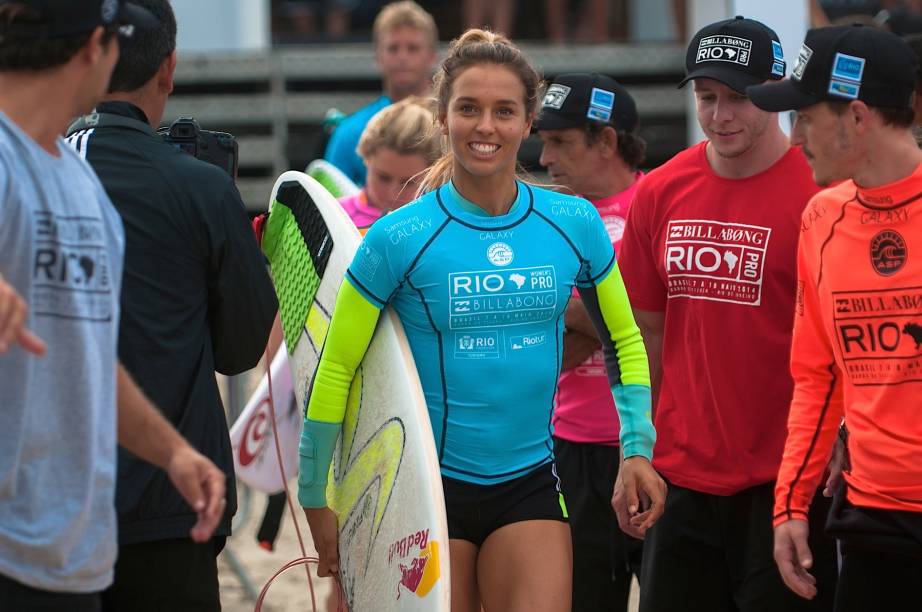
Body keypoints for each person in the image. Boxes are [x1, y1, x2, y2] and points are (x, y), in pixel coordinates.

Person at [299, 28, 665, 612]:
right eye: (468, 108)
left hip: (531, 485)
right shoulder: (399, 237)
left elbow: (624, 340)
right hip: (423, 491)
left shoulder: (572, 221)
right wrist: (315, 493)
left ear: (527, 124)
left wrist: (637, 448)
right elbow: (335, 366)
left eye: (504, 111)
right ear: (443, 118)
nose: (485, 126)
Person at [0, 1, 226, 610]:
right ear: (95, 46)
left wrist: (173, 450)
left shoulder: (79, 181)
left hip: (70, 558)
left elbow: (88, 361)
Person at [616, 16, 838, 612]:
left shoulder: (819, 194)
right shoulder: (661, 191)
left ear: (776, 90)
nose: (721, 116)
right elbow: (647, 335)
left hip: (788, 480)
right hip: (680, 476)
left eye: (739, 98)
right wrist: (637, 449)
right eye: (707, 97)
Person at [62, 1, 279, 609]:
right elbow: (240, 349)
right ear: (170, 68)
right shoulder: (200, 185)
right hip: (173, 499)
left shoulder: (33, 167)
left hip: (51, 497)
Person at [748, 24, 922, 612]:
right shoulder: (821, 217)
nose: (794, 138)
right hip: (872, 519)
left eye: (804, 116)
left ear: (857, 115)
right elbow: (817, 376)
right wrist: (792, 505)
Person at [534, 72, 646, 612]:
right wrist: (605, 315)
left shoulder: (656, 205)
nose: (546, 158)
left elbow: (644, 324)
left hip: (648, 443)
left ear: (606, 140)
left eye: (560, 141)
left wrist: (579, 314)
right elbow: (545, 334)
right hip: (569, 446)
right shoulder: (551, 217)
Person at [323, 0, 437, 186]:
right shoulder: (350, 132)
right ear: (378, 56)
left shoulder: (452, 126)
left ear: (432, 56)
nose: (402, 57)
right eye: (393, 48)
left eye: (413, 48)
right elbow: (330, 205)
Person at [339, 95, 442, 230]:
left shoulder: (439, 225)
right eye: (383, 177)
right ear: (366, 157)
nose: (392, 193)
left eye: (408, 183)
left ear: (430, 173)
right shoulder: (334, 216)